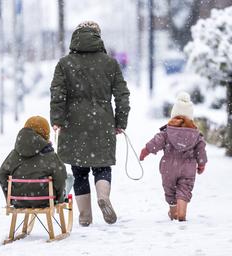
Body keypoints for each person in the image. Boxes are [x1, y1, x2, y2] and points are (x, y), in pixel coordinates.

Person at [50, 21, 130, 226]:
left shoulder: (64, 63)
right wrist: (120, 121)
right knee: (102, 166)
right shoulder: (110, 63)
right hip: (102, 120)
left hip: (73, 121)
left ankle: (85, 216)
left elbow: (57, 94)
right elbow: (122, 95)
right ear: (98, 37)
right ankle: (103, 196)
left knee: (79, 171)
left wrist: (57, 119)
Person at [139, 92, 207, 221]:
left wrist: (145, 151)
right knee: (185, 189)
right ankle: (182, 213)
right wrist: (202, 163)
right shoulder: (196, 135)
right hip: (188, 167)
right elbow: (201, 149)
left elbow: (156, 142)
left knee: (170, 190)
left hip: (168, 167)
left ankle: (173, 211)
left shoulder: (167, 131)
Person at [0, 116, 70, 208]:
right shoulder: (50, 155)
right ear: (45, 133)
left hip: (18, 200)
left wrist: (10, 196)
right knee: (69, 177)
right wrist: (59, 199)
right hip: (46, 200)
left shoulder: (14, 154)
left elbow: (2, 174)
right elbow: (60, 176)